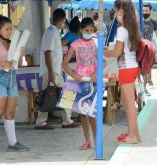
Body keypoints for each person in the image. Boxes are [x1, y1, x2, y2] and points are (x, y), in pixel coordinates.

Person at [0, 15, 30, 155]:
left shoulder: (13, 43)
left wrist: (21, 55)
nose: (9, 31)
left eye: (11, 29)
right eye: (7, 29)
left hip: (12, 77)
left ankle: (13, 142)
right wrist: (4, 64)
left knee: (10, 112)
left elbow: (20, 64)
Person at [36, 8, 81, 130]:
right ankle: (42, 122)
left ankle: (66, 120)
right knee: (47, 95)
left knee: (64, 93)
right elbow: (48, 53)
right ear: (62, 19)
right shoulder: (51, 32)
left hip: (55, 70)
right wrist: (50, 71)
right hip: (51, 71)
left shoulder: (53, 31)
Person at [104, 0, 141, 144]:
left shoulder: (121, 29)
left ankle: (132, 136)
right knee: (127, 102)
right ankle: (135, 134)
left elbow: (117, 52)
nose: (114, 12)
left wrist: (103, 52)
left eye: (115, 9)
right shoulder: (132, 27)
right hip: (132, 66)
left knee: (129, 104)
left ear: (120, 10)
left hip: (126, 68)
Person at [63, 17, 97, 150]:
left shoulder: (96, 43)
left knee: (92, 112)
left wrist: (95, 73)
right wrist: (75, 76)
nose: (89, 32)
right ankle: (87, 140)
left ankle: (96, 140)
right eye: (86, 30)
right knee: (82, 113)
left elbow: (104, 61)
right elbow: (64, 64)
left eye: (91, 30)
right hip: (80, 82)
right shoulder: (75, 44)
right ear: (81, 30)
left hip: (93, 82)